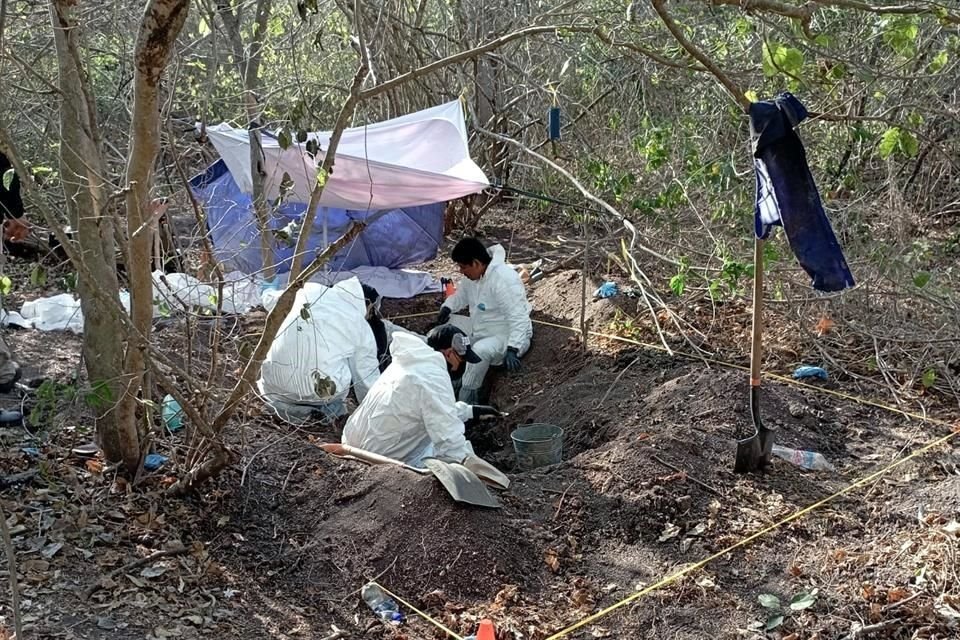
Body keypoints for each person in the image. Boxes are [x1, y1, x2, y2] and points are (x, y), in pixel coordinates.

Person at [341, 324, 500, 466]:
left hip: (351, 445)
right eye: (462, 359)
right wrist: (469, 468)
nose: (463, 365)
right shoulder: (433, 378)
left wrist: (470, 411)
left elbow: (427, 407)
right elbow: (448, 438)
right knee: (454, 450)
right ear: (449, 353)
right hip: (380, 459)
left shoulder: (409, 364)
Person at [258, 277, 380, 424]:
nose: (369, 315)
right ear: (366, 302)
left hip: (275, 390)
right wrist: (375, 412)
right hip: (321, 397)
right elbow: (365, 376)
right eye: (371, 310)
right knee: (348, 358)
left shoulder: (305, 291)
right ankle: (324, 415)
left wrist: (268, 290)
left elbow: (271, 301)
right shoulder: (357, 321)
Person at [436, 237, 532, 403]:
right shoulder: (472, 277)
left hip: (506, 335)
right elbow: (460, 296)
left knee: (479, 351)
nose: (461, 271)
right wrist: (447, 307)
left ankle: (466, 399)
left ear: (476, 263)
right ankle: (450, 379)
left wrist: (513, 347)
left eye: (463, 267)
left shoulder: (503, 279)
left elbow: (518, 317)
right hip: (481, 330)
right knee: (445, 330)